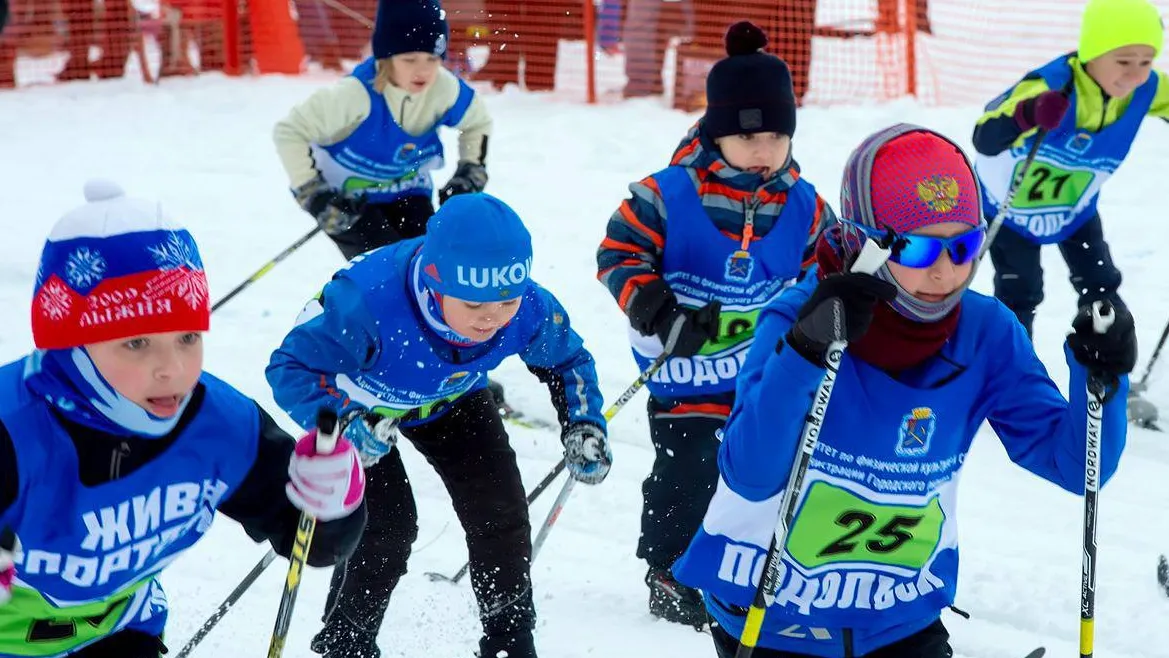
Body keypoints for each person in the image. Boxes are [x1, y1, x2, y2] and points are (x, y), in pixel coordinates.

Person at [672, 124, 1136, 657]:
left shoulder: (985, 331)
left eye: (965, 244)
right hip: (773, 618)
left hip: (897, 620)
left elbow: (1079, 468)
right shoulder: (799, 317)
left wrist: (1100, 376)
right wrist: (805, 351)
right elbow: (751, 474)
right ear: (864, 241)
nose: (944, 272)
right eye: (917, 249)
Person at [0, 180, 367, 658]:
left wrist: (332, 504)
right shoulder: (15, 429)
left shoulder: (218, 423)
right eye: (136, 343)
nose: (171, 368)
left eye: (187, 338)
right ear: (71, 345)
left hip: (119, 637)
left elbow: (312, 544)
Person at [266, 193, 612, 658]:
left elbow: (566, 359)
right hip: (362, 403)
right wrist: (347, 425)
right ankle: (348, 642)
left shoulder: (524, 308)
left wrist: (583, 423)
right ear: (434, 281)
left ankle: (509, 641)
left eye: (505, 301)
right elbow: (290, 368)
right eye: (473, 305)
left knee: (499, 508)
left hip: (450, 396)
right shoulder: (368, 300)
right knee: (388, 526)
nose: (491, 318)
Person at [596, 20, 834, 629]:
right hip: (682, 361)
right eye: (750, 137)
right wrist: (655, 306)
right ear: (717, 132)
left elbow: (826, 268)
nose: (765, 151)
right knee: (693, 460)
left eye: (779, 136)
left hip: (762, 369)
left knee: (773, 465)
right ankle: (671, 570)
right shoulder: (668, 193)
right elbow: (617, 253)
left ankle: (760, 568)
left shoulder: (804, 205)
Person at [972, 0, 1167, 337]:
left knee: (1100, 284)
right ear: (1092, 53)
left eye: (1146, 62)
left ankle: (1102, 369)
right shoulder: (1052, 85)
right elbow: (984, 138)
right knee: (1020, 291)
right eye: (1123, 61)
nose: (1135, 74)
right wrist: (1028, 114)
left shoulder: (1145, 88)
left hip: (1074, 207)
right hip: (1010, 208)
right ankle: (1013, 371)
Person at [273, 0, 492, 261]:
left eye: (432, 59)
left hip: (409, 188)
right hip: (349, 199)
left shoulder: (443, 88)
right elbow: (289, 131)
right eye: (409, 59)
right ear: (386, 57)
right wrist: (313, 193)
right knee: (386, 267)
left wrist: (471, 170)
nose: (422, 70)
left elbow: (478, 122)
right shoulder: (355, 94)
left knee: (429, 259)